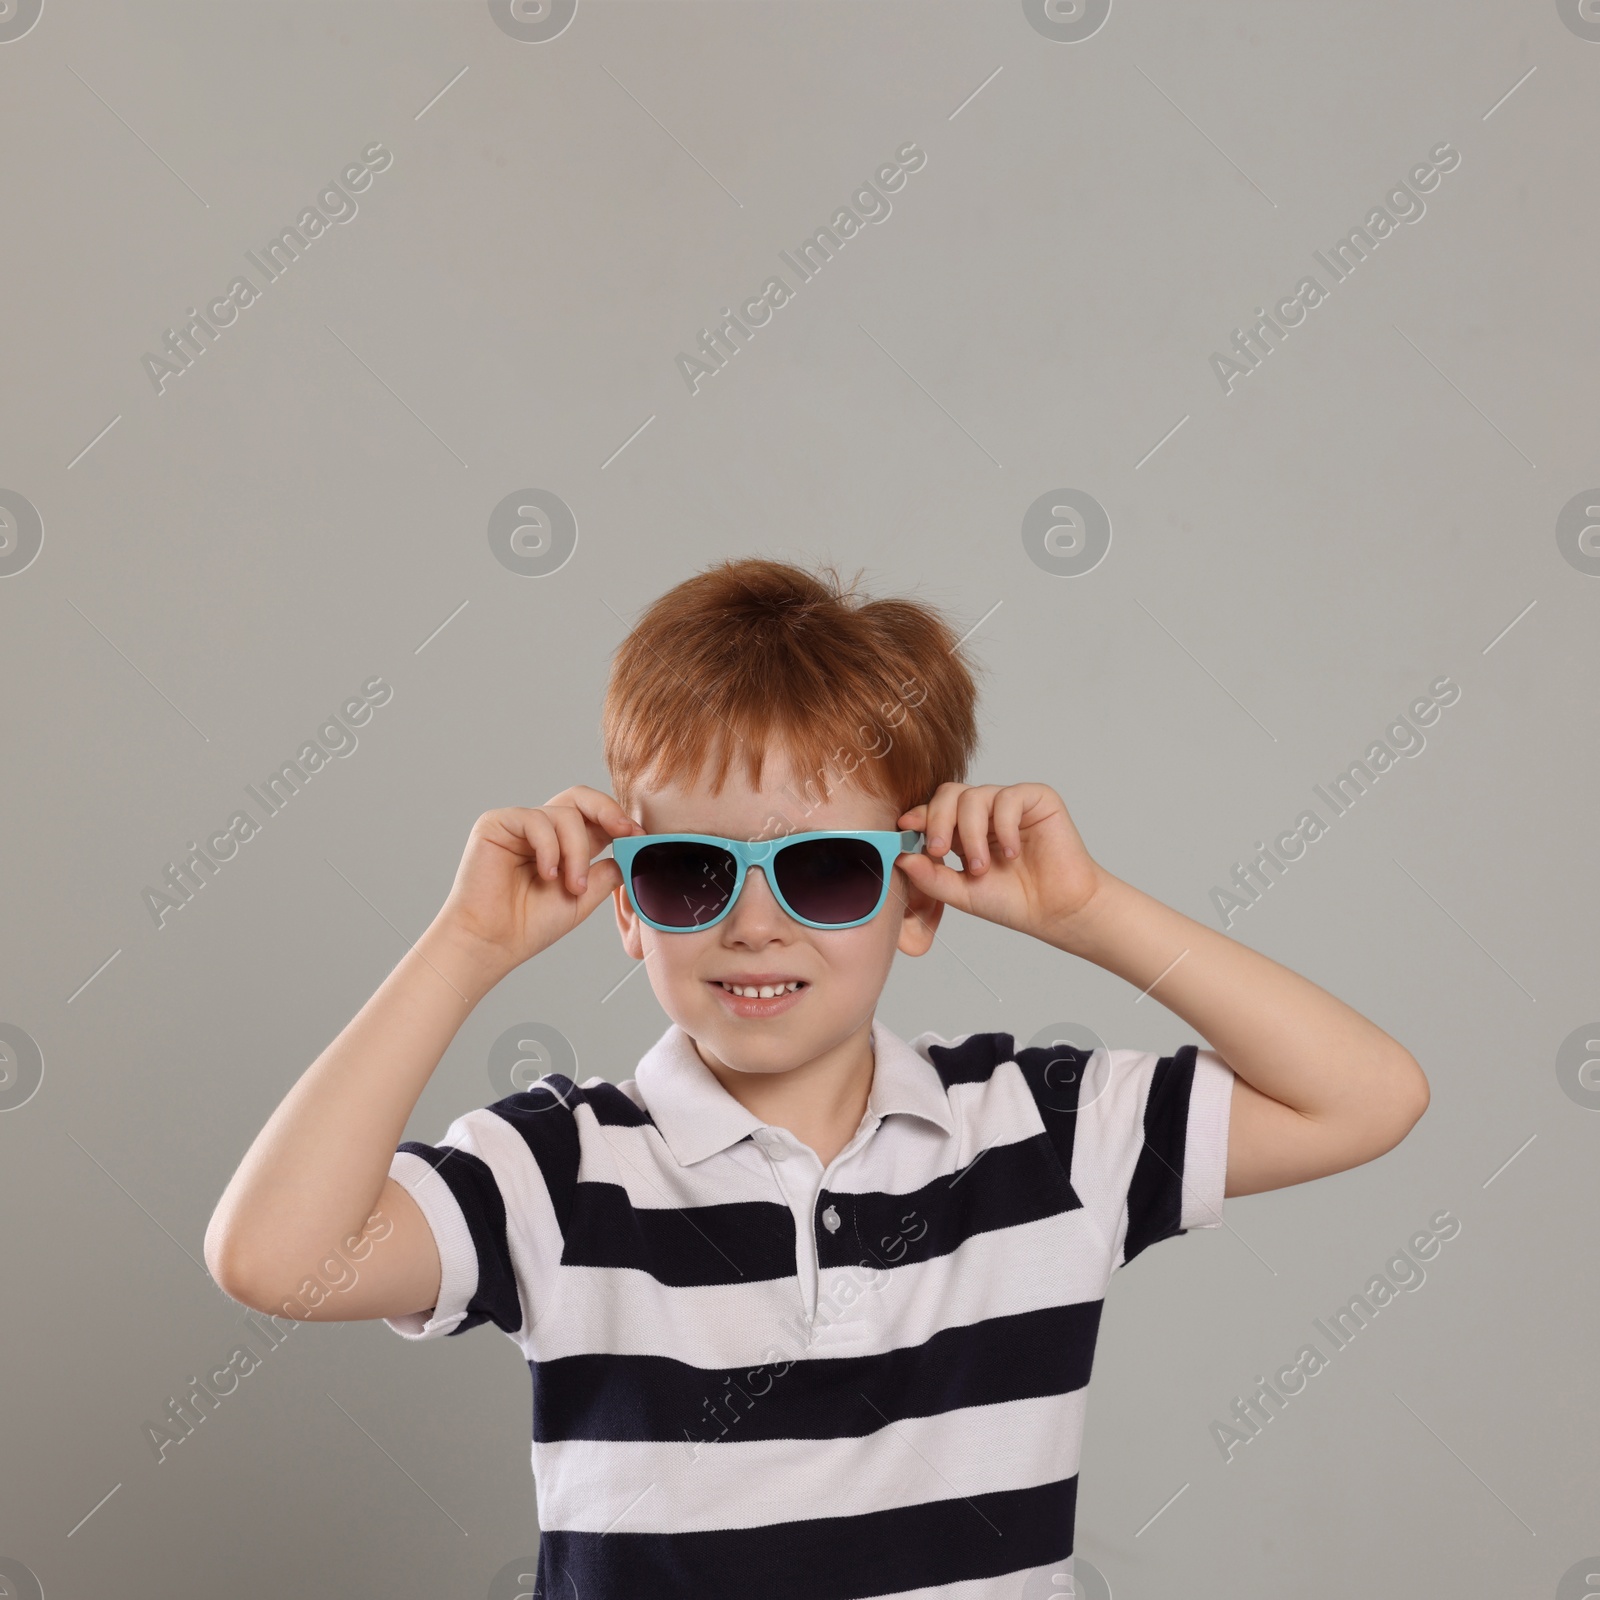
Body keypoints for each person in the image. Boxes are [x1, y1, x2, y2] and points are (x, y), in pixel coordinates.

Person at [204, 557, 1429, 1597]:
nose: (754, 923)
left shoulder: (1044, 1135)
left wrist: (1087, 910)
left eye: (827, 871)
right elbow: (271, 1255)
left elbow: (1366, 1095)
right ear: (627, 906)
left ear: (917, 896)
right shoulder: (553, 1170)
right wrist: (463, 949)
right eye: (692, 871)